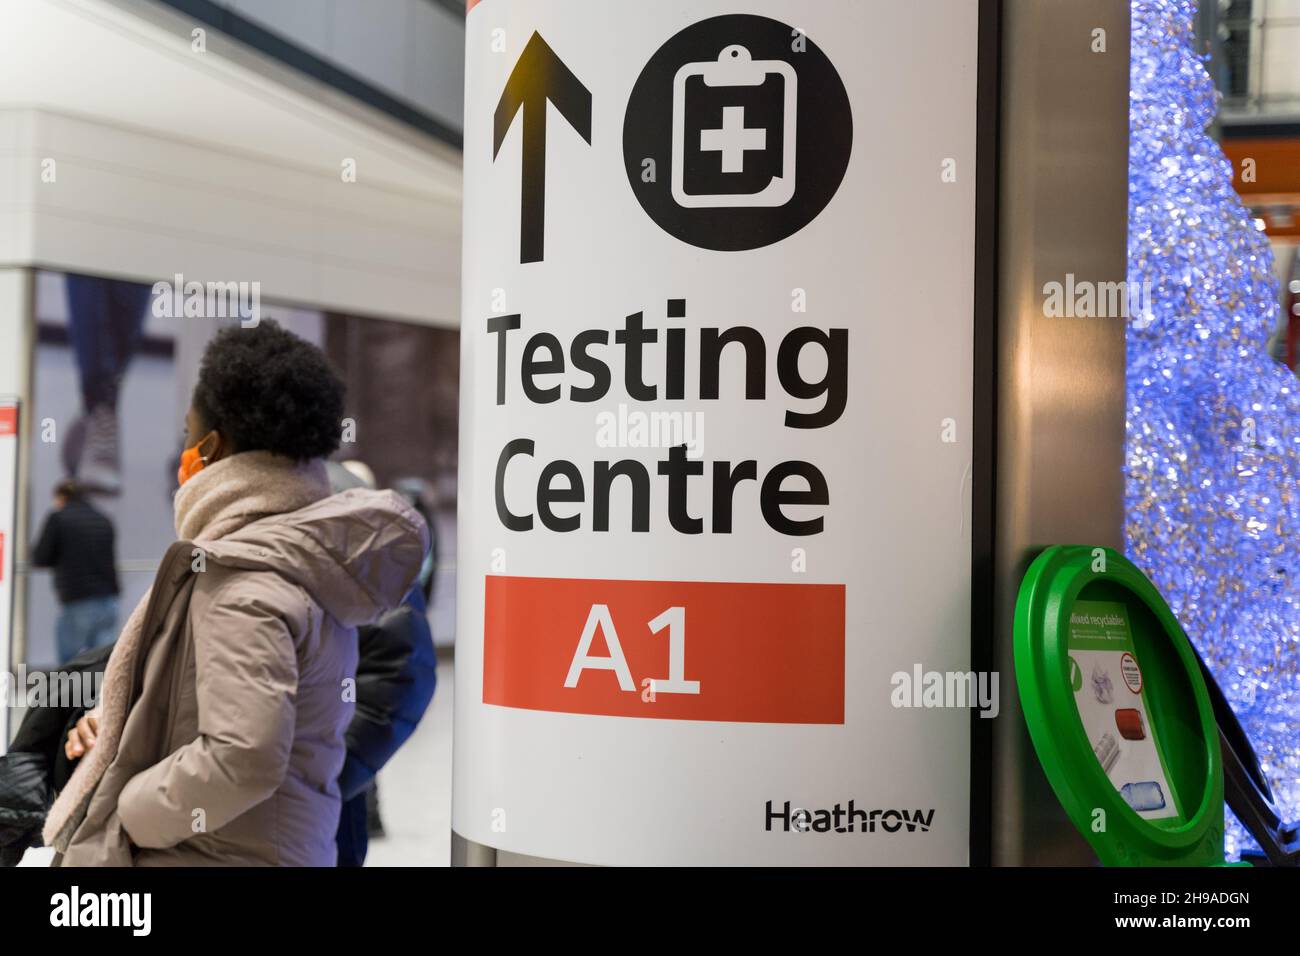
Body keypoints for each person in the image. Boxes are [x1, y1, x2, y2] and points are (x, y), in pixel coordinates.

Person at [42, 320, 429, 866]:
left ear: (213, 446)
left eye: (187, 435)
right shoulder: (296, 559)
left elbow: (244, 756)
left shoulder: (245, 582)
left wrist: (131, 807)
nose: (182, 454)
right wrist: (129, 724)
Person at [326, 462, 438, 867]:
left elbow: (398, 664)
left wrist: (321, 781)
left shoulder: (334, 505)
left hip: (313, 813)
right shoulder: (223, 499)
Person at [30, 479, 120, 664]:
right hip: (108, 599)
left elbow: (41, 557)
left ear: (62, 497)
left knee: (70, 663)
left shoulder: (58, 518)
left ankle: (72, 694)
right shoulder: (102, 519)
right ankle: (100, 694)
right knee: (103, 662)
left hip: (77, 598)